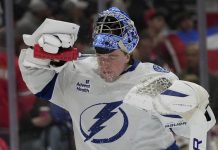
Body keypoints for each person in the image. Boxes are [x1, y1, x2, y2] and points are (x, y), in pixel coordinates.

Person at [19, 7, 215, 150]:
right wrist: (38, 55)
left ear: (128, 53)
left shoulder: (156, 78)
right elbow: (39, 83)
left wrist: (194, 111)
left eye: (112, 56)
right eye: (99, 55)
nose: (104, 63)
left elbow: (189, 128)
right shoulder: (76, 72)